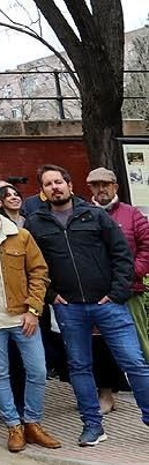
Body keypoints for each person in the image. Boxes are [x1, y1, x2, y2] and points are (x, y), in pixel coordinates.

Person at [24, 164, 149, 445]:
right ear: (42, 192)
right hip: (69, 307)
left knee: (134, 362)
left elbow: (122, 255)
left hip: (109, 304)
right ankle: (92, 425)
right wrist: (50, 294)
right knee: (80, 366)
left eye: (59, 181)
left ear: (69, 184)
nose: (54, 187)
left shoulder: (94, 215)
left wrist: (117, 292)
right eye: (48, 184)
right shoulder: (35, 223)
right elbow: (32, 265)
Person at [0, 184, 61, 453]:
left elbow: (39, 273)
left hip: (21, 316)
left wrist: (33, 310)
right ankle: (13, 425)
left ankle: (32, 421)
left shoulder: (20, 235)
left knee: (38, 370)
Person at [86, 166, 149, 411]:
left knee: (139, 345)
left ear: (115, 187)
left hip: (129, 291)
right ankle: (106, 394)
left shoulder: (131, 214)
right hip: (97, 295)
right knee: (101, 348)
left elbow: (146, 246)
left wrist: (130, 273)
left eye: (105, 184)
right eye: (95, 185)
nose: (101, 189)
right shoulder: (84, 214)